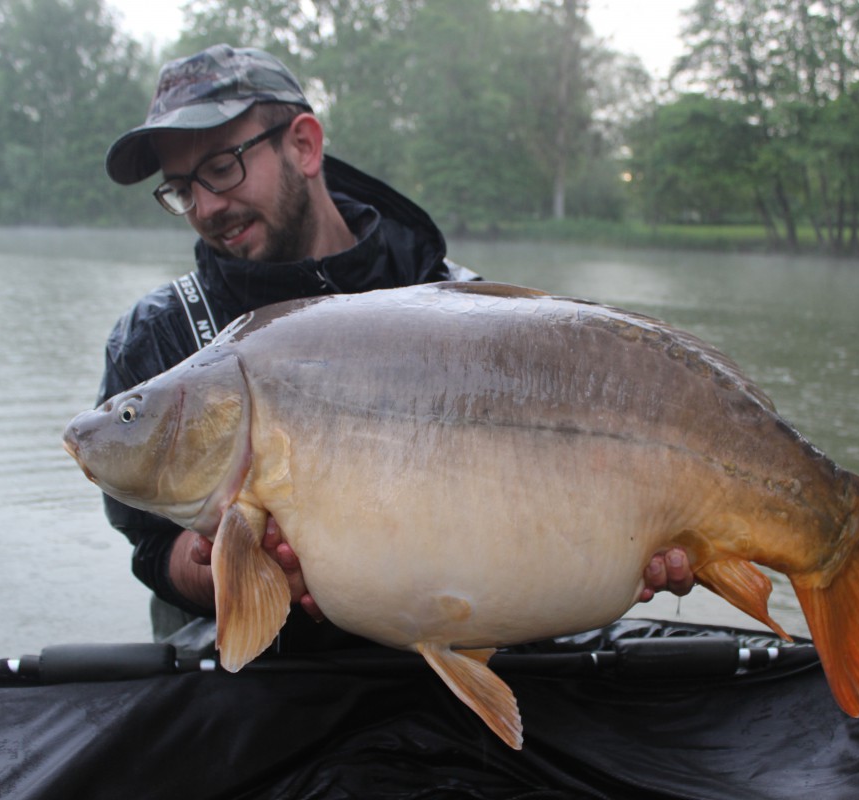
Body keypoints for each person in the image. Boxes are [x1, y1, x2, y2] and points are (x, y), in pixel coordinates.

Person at [99, 43, 694, 645]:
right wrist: (213, 564)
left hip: (449, 652)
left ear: (303, 144)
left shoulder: (463, 308)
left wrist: (639, 534)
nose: (205, 206)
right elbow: (150, 546)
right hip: (256, 690)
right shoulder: (160, 336)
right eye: (180, 188)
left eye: (222, 167)